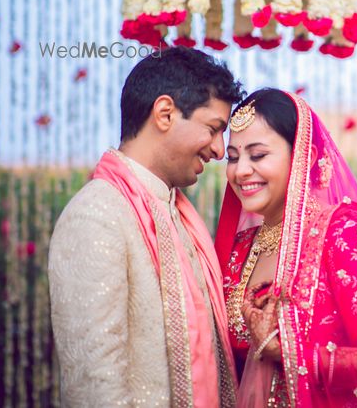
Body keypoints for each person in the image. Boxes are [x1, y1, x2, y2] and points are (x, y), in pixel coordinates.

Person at [215, 89, 357, 407]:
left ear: (302, 157)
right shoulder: (240, 250)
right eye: (233, 158)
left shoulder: (344, 235)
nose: (240, 171)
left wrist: (289, 352)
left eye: (258, 155)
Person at [49, 47, 244, 406]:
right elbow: (96, 385)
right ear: (165, 113)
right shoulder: (97, 214)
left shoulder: (178, 217)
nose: (219, 150)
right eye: (213, 129)